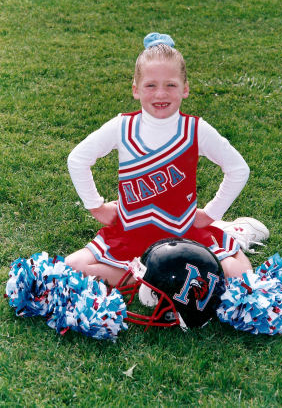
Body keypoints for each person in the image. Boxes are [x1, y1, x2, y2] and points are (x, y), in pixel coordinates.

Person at [66, 32, 265, 286]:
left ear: (185, 89)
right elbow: (78, 159)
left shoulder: (195, 130)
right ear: (136, 90)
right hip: (132, 232)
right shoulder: (122, 127)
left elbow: (238, 169)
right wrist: (96, 207)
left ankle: (234, 234)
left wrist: (211, 214)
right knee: (74, 266)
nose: (161, 94)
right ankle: (157, 280)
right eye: (151, 85)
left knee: (240, 278)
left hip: (182, 232)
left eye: (170, 85)